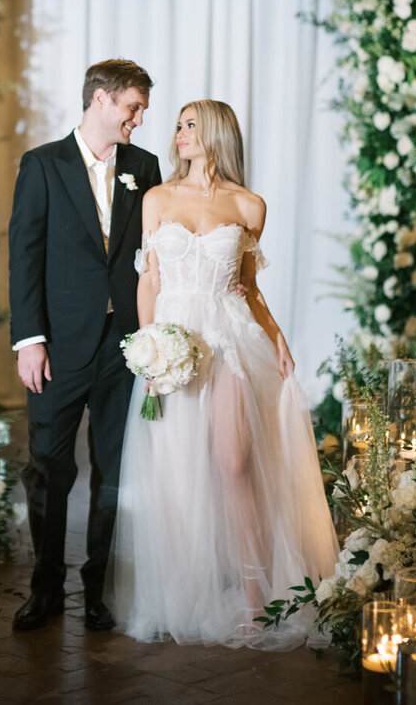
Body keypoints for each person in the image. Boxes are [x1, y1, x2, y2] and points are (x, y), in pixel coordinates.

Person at [110, 99, 339, 649]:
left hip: (229, 337)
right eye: (179, 125)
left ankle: (261, 598)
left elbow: (250, 287)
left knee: (234, 462)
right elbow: (149, 280)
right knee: (176, 468)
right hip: (172, 338)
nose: (179, 133)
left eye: (191, 124)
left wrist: (279, 338)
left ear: (215, 133)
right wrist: (148, 345)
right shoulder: (157, 198)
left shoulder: (249, 205)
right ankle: (182, 592)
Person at [8, 59, 162, 632]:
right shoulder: (42, 164)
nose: (140, 120)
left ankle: (99, 588)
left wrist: (156, 337)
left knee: (116, 468)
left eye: (142, 109)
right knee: (48, 467)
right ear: (101, 100)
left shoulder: (145, 167)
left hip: (124, 346)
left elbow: (155, 256)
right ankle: (45, 587)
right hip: (56, 347)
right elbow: (24, 256)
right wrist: (30, 339)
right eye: (133, 107)